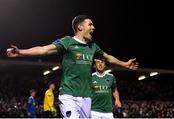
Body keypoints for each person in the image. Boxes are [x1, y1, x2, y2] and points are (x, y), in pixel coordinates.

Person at [7, 15, 138, 118]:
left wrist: (125, 64)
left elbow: (108, 57)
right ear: (80, 27)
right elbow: (44, 50)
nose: (93, 27)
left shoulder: (93, 46)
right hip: (69, 94)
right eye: (90, 24)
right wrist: (20, 52)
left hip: (87, 96)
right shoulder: (67, 42)